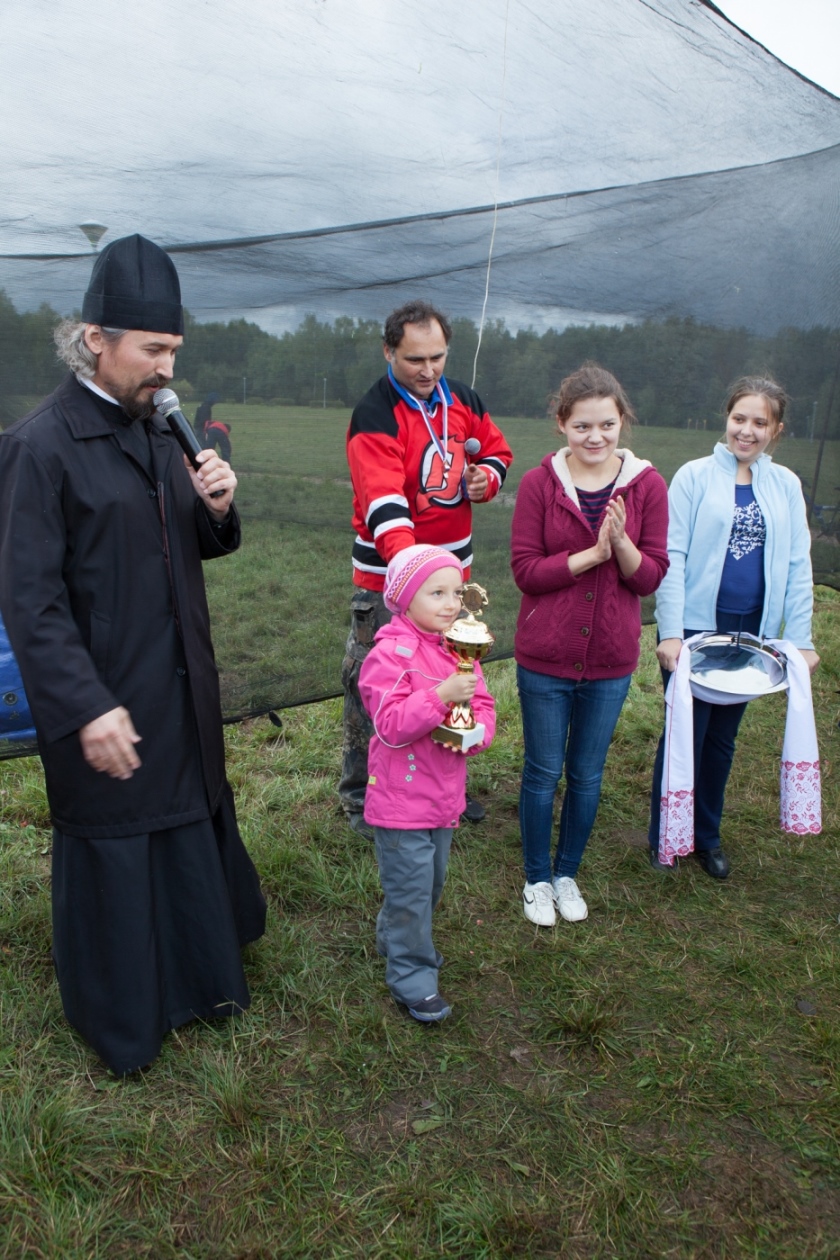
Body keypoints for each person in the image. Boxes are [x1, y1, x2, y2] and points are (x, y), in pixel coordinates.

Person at [0, 234, 266, 1075]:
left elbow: (180, 544)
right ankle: (128, 1017)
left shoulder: (158, 430)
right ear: (94, 339)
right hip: (108, 696)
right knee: (120, 838)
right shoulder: (38, 447)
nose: (167, 368)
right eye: (152, 350)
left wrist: (215, 510)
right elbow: (29, 602)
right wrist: (84, 705)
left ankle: (203, 981)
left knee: (187, 816)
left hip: (178, 684)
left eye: (173, 350)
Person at [341, 300, 513, 838]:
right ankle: (364, 796)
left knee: (449, 679)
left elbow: (498, 451)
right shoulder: (375, 413)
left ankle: (443, 785)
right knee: (380, 688)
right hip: (392, 583)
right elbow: (384, 505)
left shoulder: (462, 398)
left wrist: (485, 478)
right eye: (415, 359)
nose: (428, 369)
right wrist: (414, 583)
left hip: (450, 583)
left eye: (437, 357)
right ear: (388, 351)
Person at [511, 363, 669, 927]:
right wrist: (592, 555)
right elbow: (526, 572)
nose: (595, 437)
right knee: (542, 772)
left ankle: (566, 873)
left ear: (622, 421)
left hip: (609, 661)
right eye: (582, 426)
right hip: (545, 659)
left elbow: (649, 578)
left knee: (586, 773)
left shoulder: (648, 486)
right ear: (562, 424)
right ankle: (536, 878)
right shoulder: (539, 484)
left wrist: (621, 545)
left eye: (606, 424)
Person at [649, 375, 818, 878]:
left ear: (776, 429)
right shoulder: (694, 477)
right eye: (739, 418)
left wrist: (801, 640)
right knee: (686, 732)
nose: (747, 430)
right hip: (695, 628)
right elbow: (672, 556)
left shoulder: (785, 485)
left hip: (751, 631)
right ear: (726, 418)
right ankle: (666, 835)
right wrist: (671, 631)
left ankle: (706, 836)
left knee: (722, 739)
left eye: (759, 422)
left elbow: (798, 565)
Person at [358, 545, 496, 1021]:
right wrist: (441, 695)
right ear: (405, 599)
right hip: (401, 803)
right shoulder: (389, 655)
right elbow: (390, 724)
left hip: (443, 798)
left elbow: (483, 705)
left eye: (456, 592)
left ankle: (396, 935)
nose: (451, 603)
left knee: (429, 884)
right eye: (437, 593)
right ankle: (413, 976)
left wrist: (475, 735)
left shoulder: (460, 648)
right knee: (413, 892)